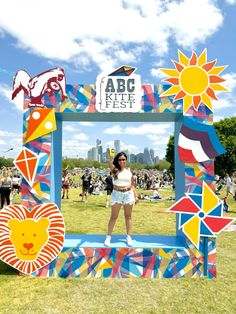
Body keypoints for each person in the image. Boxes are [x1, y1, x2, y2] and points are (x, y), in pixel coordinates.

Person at [104, 151, 138, 247]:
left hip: (128, 194)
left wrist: (136, 196)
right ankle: (108, 237)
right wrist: (111, 157)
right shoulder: (115, 170)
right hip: (117, 194)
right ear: (117, 161)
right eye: (120, 159)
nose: (122, 161)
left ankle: (129, 237)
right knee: (113, 217)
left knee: (128, 216)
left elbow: (132, 185)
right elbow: (110, 164)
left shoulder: (129, 171)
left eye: (124, 159)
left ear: (126, 160)